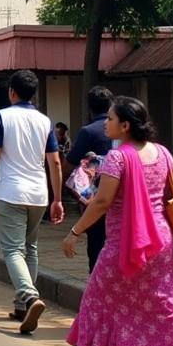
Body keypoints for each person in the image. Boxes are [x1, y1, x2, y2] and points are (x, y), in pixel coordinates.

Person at [59, 97, 173, 346]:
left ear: (124, 125)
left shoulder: (117, 158)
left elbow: (103, 201)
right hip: (160, 242)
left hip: (124, 242)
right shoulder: (162, 153)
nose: (105, 123)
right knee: (167, 305)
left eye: (110, 119)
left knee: (99, 301)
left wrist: (75, 231)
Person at [0, 70, 64, 335]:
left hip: (11, 192)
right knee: (30, 249)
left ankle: (30, 296)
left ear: (12, 91)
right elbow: (55, 162)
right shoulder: (44, 121)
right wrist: (57, 199)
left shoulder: (2, 117)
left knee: (12, 250)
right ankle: (22, 306)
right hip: (38, 195)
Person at [63, 86, 114, 271]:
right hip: (123, 197)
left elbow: (70, 161)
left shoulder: (89, 131)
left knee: (97, 241)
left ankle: (97, 282)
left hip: (96, 194)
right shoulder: (125, 135)